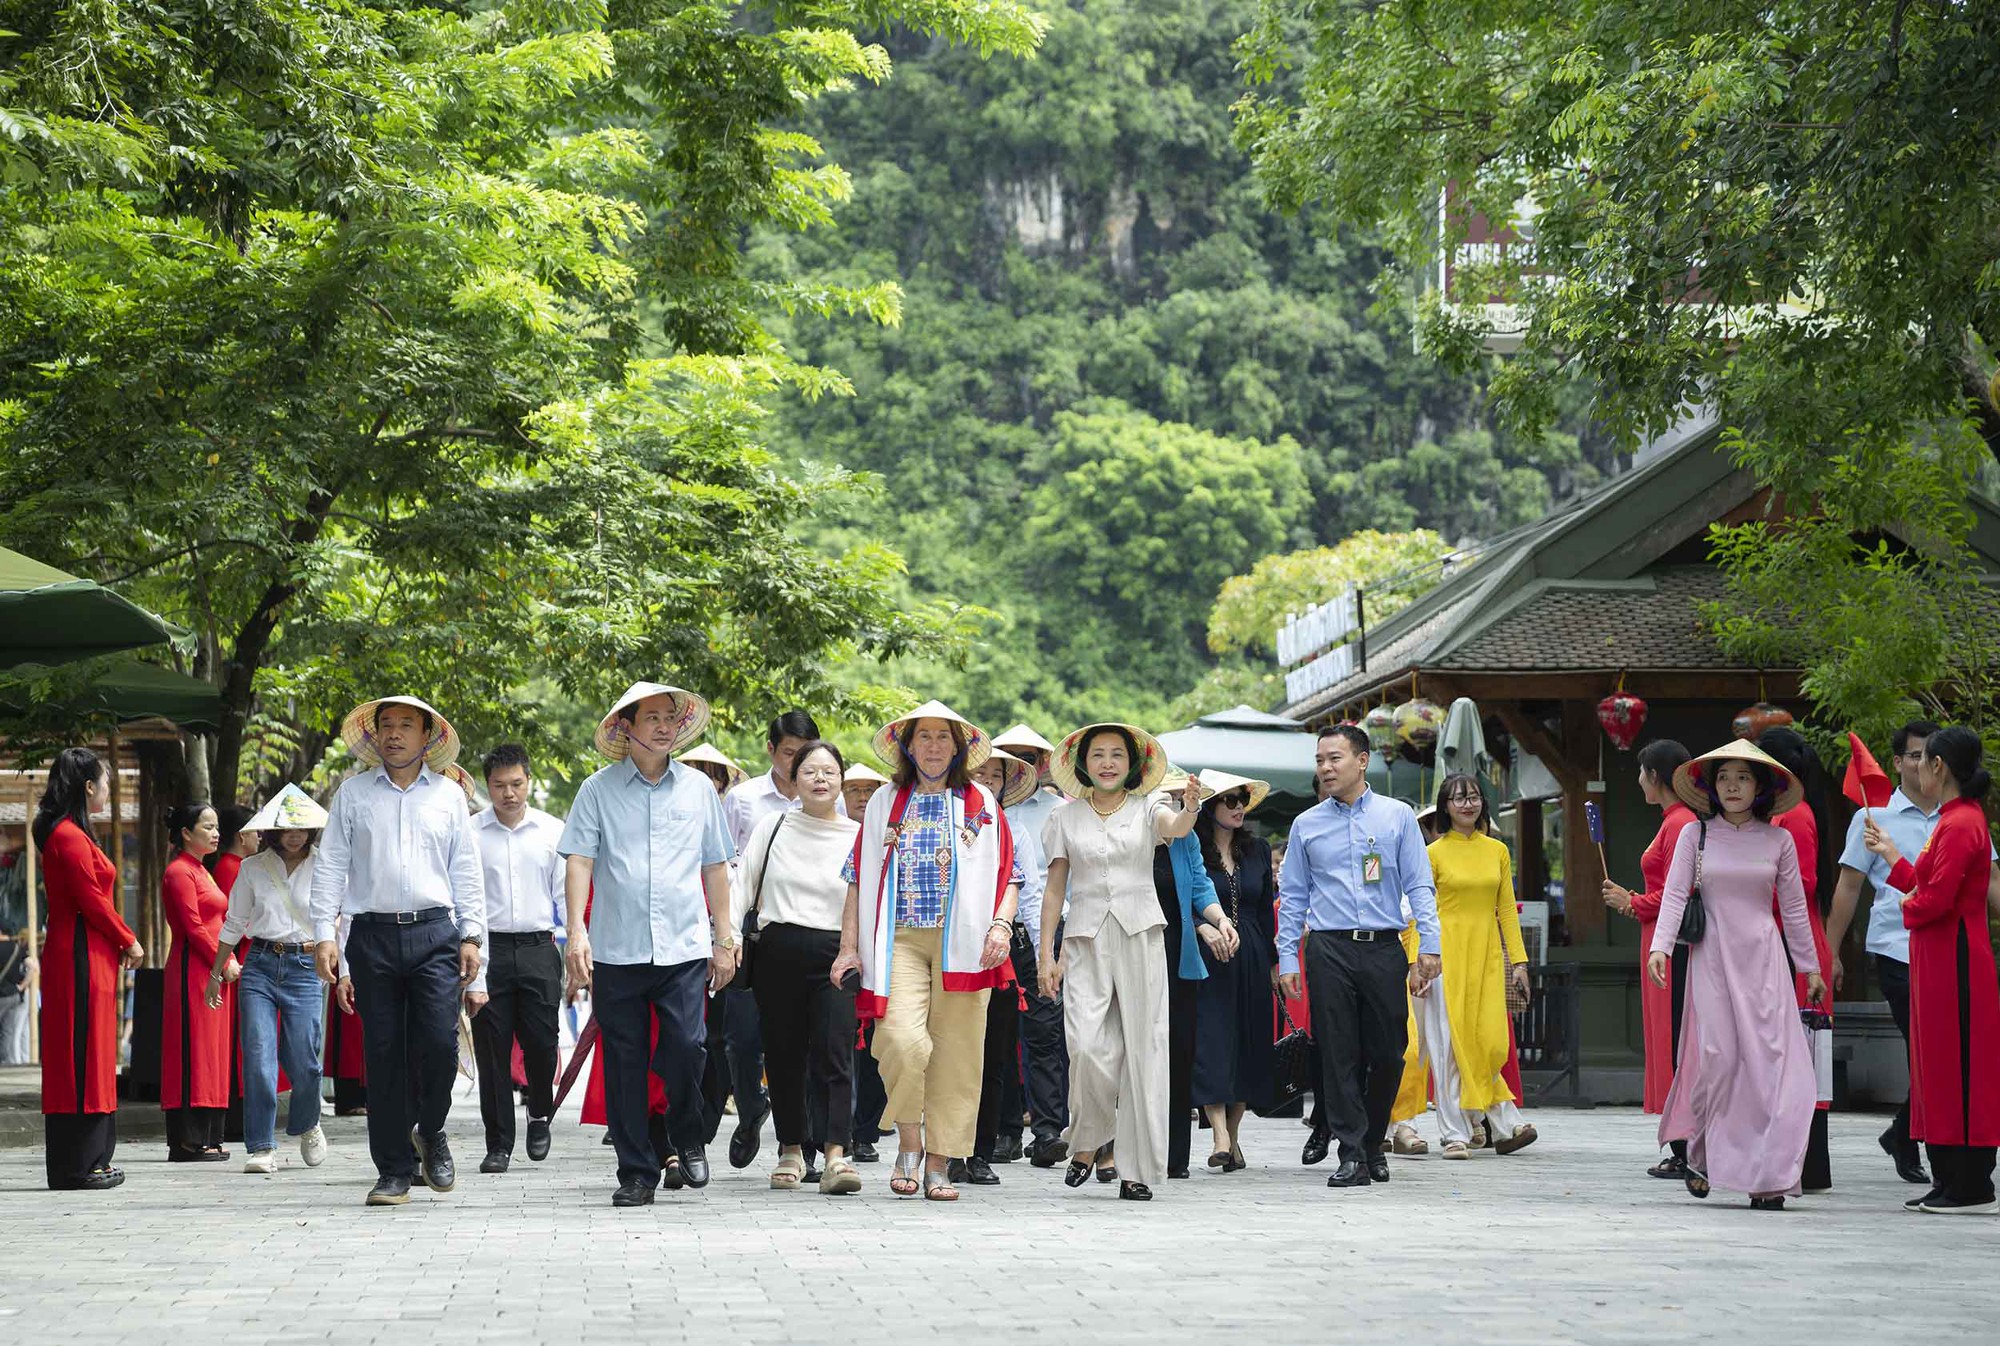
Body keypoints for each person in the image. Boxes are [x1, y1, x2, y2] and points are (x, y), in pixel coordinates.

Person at [831, 700, 1020, 1203]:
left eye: (944, 737)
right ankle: (909, 1143)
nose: (934, 746)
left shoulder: (979, 800)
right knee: (899, 1042)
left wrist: (1001, 926)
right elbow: (856, 878)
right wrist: (848, 948)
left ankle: (939, 1161)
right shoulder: (883, 802)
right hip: (896, 940)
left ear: (959, 747)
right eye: (924, 737)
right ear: (907, 745)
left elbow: (1010, 875)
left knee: (959, 1054)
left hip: (966, 944)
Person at [561, 681, 737, 1208]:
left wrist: (724, 937)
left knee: (687, 1046)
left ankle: (688, 1136)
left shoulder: (699, 790)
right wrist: (576, 932)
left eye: (670, 717)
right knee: (625, 1062)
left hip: (684, 946)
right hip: (617, 948)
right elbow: (579, 861)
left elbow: (715, 864)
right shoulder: (597, 790)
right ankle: (637, 1170)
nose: (664, 726)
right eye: (652, 717)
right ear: (627, 727)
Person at [310, 694, 486, 1207]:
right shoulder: (353, 794)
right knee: (382, 1054)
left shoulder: (449, 798)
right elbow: (331, 867)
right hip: (372, 936)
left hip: (436, 934)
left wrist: (472, 936)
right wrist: (325, 933)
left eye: (405, 725)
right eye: (386, 725)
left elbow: (466, 872)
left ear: (426, 736)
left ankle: (430, 1129)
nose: (393, 734)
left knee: (438, 1045)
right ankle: (393, 1170)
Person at [1648, 739, 1824, 1209]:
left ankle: (1769, 1178)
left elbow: (1793, 908)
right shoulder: (1695, 836)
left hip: (1765, 963)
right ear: (1711, 786)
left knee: (1771, 1070)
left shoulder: (1779, 840)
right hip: (1711, 958)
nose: (1732, 785)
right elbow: (1673, 894)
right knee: (1719, 1061)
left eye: (1743, 777)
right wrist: (1661, 947)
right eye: (1724, 777)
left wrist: (1810, 968)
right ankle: (1702, 1150)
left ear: (1760, 786)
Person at [1039, 722, 1210, 1201]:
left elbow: (1175, 829)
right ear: (1083, 763)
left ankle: (1136, 1169)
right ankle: (1090, 1138)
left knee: (1144, 1048)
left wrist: (1191, 807)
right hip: (1084, 938)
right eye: (1098, 755)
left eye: (1117, 754)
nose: (1108, 762)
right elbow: (1055, 889)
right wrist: (1045, 952)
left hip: (1140, 932)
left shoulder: (1148, 808)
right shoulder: (1064, 819)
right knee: (1087, 1046)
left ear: (1131, 764)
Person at [1277, 724, 1441, 1189]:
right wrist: (1288, 957)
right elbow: (1292, 897)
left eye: (1335, 759)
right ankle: (1351, 1154)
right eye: (1320, 760)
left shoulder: (1397, 816)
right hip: (1328, 949)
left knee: (1390, 1053)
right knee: (1338, 1053)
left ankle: (1372, 1144)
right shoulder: (1305, 825)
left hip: (1385, 947)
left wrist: (1429, 945)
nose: (1325, 768)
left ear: (1362, 760)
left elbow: (1419, 884)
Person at [1862, 726, 2000, 1214]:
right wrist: (1891, 858)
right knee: (1938, 1067)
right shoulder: (1952, 820)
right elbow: (1925, 882)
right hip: (1938, 958)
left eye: (1924, 759)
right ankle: (1950, 1178)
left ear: (1939, 766)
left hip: (1955, 959)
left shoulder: (1961, 824)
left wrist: (1902, 910)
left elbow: (1935, 900)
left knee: (1956, 1067)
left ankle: (1970, 1182)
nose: (1916, 766)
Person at [743, 739, 864, 1196]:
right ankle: (791, 1148)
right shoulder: (772, 828)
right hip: (779, 949)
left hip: (839, 952)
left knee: (835, 1051)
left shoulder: (857, 836)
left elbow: (869, 901)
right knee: (784, 1053)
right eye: (810, 771)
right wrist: (729, 941)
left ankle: (837, 1153)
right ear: (794, 780)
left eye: (829, 772)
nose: (819, 779)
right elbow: (743, 885)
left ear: (841, 782)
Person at [1829, 719, 1939, 1186]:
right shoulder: (1874, 818)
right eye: (1914, 756)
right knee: (1925, 1049)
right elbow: (1848, 888)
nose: (1923, 764)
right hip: (1898, 949)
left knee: (1942, 1050)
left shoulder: (1957, 813)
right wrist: (1829, 952)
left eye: (1932, 756)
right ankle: (1922, 1140)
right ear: (1897, 762)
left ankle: (1903, 1131)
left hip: (1948, 949)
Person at [716, 711, 828, 1171]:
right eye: (789, 755)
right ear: (771, 750)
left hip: (806, 935)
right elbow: (720, 866)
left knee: (802, 1042)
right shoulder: (742, 801)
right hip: (752, 932)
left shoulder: (828, 803)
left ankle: (803, 1143)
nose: (800, 765)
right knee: (742, 1039)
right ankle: (750, 1108)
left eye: (808, 755)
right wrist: (723, 934)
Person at [208, 785, 329, 1174]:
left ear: (311, 830)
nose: (294, 834)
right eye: (287, 827)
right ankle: (261, 1146)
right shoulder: (252, 867)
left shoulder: (326, 865)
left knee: (305, 1061)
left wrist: (342, 968)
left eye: (302, 827)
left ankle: (308, 1122)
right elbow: (234, 922)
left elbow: (340, 919)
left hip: (307, 966)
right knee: (259, 1060)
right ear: (272, 830)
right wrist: (216, 973)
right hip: (259, 964)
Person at [37, 748, 143, 1190]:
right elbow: (91, 899)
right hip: (78, 953)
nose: (107, 790)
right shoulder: (69, 836)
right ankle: (79, 1164)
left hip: (87, 953)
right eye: (104, 782)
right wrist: (128, 938)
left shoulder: (72, 833)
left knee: (94, 1051)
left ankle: (91, 1160)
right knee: (81, 1054)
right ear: (87, 787)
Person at [1416, 774, 1535, 1158]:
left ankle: (1487, 1120)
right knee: (1448, 1044)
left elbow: (1506, 910)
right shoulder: (1433, 854)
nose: (1467, 804)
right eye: (1458, 799)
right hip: (1443, 958)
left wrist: (1519, 962)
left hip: (1486, 956)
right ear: (1445, 807)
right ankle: (1461, 1132)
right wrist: (1417, 961)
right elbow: (1421, 913)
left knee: (1488, 1040)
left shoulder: (1496, 850)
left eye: (1473, 797)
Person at [466, 743, 566, 1175]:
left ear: (529, 780)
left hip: (539, 948)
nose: (509, 793)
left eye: (517, 784)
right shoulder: (469, 833)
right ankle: (498, 1144)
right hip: (487, 950)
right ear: (488, 786)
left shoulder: (553, 831)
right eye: (499, 785)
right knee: (493, 1050)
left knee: (543, 1043)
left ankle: (539, 1112)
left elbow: (565, 893)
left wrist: (582, 944)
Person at [1601, 738, 1695, 1177]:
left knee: (1674, 1038)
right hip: (1658, 939)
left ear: (1655, 777)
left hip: (1670, 944)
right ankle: (1681, 1143)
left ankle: (1687, 1145)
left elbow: (1680, 893)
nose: (1638, 781)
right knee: (1666, 1037)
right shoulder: (1674, 821)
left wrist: (1630, 901)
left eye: (1641, 773)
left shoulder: (1680, 824)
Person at [1756, 725, 1838, 1192]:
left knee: (1801, 1056)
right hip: (1790, 941)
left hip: (1795, 946)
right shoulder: (1793, 815)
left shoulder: (1796, 818)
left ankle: (1806, 1164)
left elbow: (1799, 888)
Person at [958, 749, 1043, 1185]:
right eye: (981, 773)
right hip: (951, 947)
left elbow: (1024, 891)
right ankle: (949, 1147)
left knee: (993, 1055)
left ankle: (980, 1151)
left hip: (1003, 947)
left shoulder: (1012, 830)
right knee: (953, 1055)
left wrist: (1034, 949)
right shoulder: (947, 818)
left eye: (996, 776)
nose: (988, 781)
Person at [1192, 769, 1280, 1171]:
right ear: (1210, 805)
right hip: (1207, 952)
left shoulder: (1258, 849)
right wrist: (1202, 927)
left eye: (1243, 799)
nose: (1239, 806)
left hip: (1253, 952)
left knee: (1248, 1040)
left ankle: (1236, 1136)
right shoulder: (1191, 845)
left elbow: (1265, 911)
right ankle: (1218, 1133)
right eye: (1230, 800)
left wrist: (1275, 963)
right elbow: (1182, 899)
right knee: (1212, 1039)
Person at [991, 723, 1069, 1168]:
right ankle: (1004, 1130)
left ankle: (1046, 1131)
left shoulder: (1060, 810)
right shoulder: (978, 813)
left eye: (1028, 756)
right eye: (1010, 755)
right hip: (990, 936)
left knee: (1044, 1032)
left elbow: (1065, 881)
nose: (1022, 763)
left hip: (1047, 934)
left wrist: (1052, 944)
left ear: (1042, 764)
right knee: (997, 1036)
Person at [1153, 767, 1228, 1180]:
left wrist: (1218, 920)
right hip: (1139, 950)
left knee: (1180, 1051)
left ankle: (1174, 1155)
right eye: (1169, 796)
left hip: (1178, 954)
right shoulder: (1138, 838)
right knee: (1139, 1052)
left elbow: (1201, 887)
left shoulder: (1189, 840)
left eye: (1182, 797)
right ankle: (1125, 1146)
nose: (1176, 804)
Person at [160, 802, 234, 1162]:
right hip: (194, 969)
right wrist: (224, 962)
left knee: (213, 1053)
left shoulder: (203, 871)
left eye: (217, 826)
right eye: (207, 827)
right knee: (195, 1050)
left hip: (214, 969)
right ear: (186, 833)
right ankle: (187, 1140)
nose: (215, 832)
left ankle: (209, 1135)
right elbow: (193, 927)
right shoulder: (179, 872)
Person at [838, 760, 891, 1161]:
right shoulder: (832, 829)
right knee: (836, 1047)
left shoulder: (886, 832)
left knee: (875, 1045)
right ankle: (836, 1129)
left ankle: (866, 1129)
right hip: (834, 949)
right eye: (852, 789)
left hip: (880, 949)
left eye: (868, 789)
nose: (860, 797)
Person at [209, 805, 258, 896]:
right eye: (256, 831)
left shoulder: (237, 865)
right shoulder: (229, 867)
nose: (259, 838)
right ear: (242, 835)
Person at [681, 743, 747, 796]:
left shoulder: (724, 812)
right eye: (692, 777)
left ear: (722, 782)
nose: (697, 783)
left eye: (707, 776)